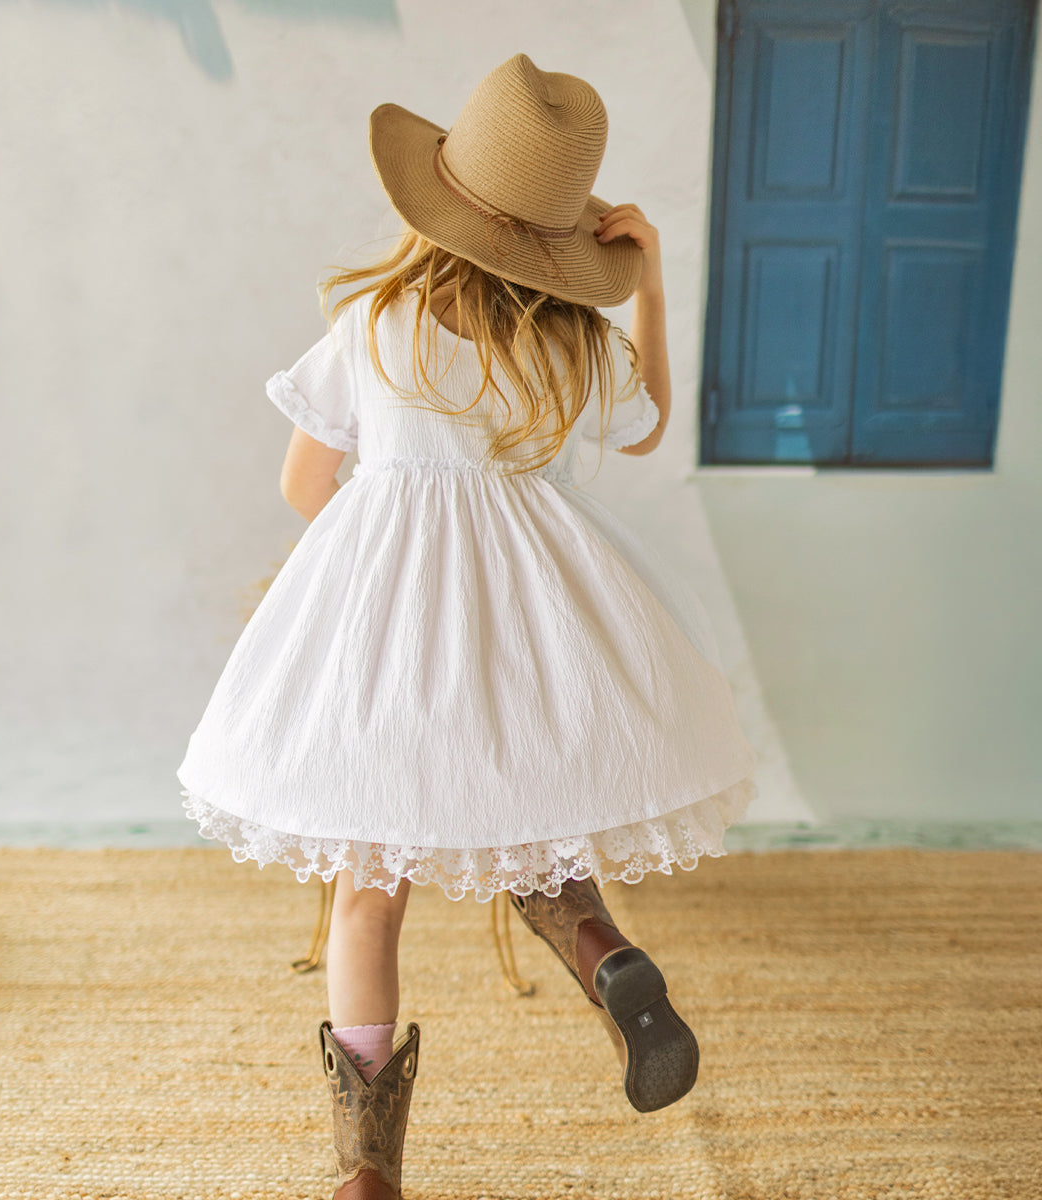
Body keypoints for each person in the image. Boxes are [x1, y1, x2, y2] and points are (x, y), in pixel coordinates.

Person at [178, 53, 757, 1200]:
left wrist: (384, 545)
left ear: (438, 198)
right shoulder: (568, 343)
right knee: (532, 829)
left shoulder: (377, 323)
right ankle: (611, 960)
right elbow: (643, 431)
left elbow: (306, 485)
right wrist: (644, 281)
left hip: (390, 628)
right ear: (560, 237)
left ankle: (365, 1167)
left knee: (367, 888)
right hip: (540, 620)